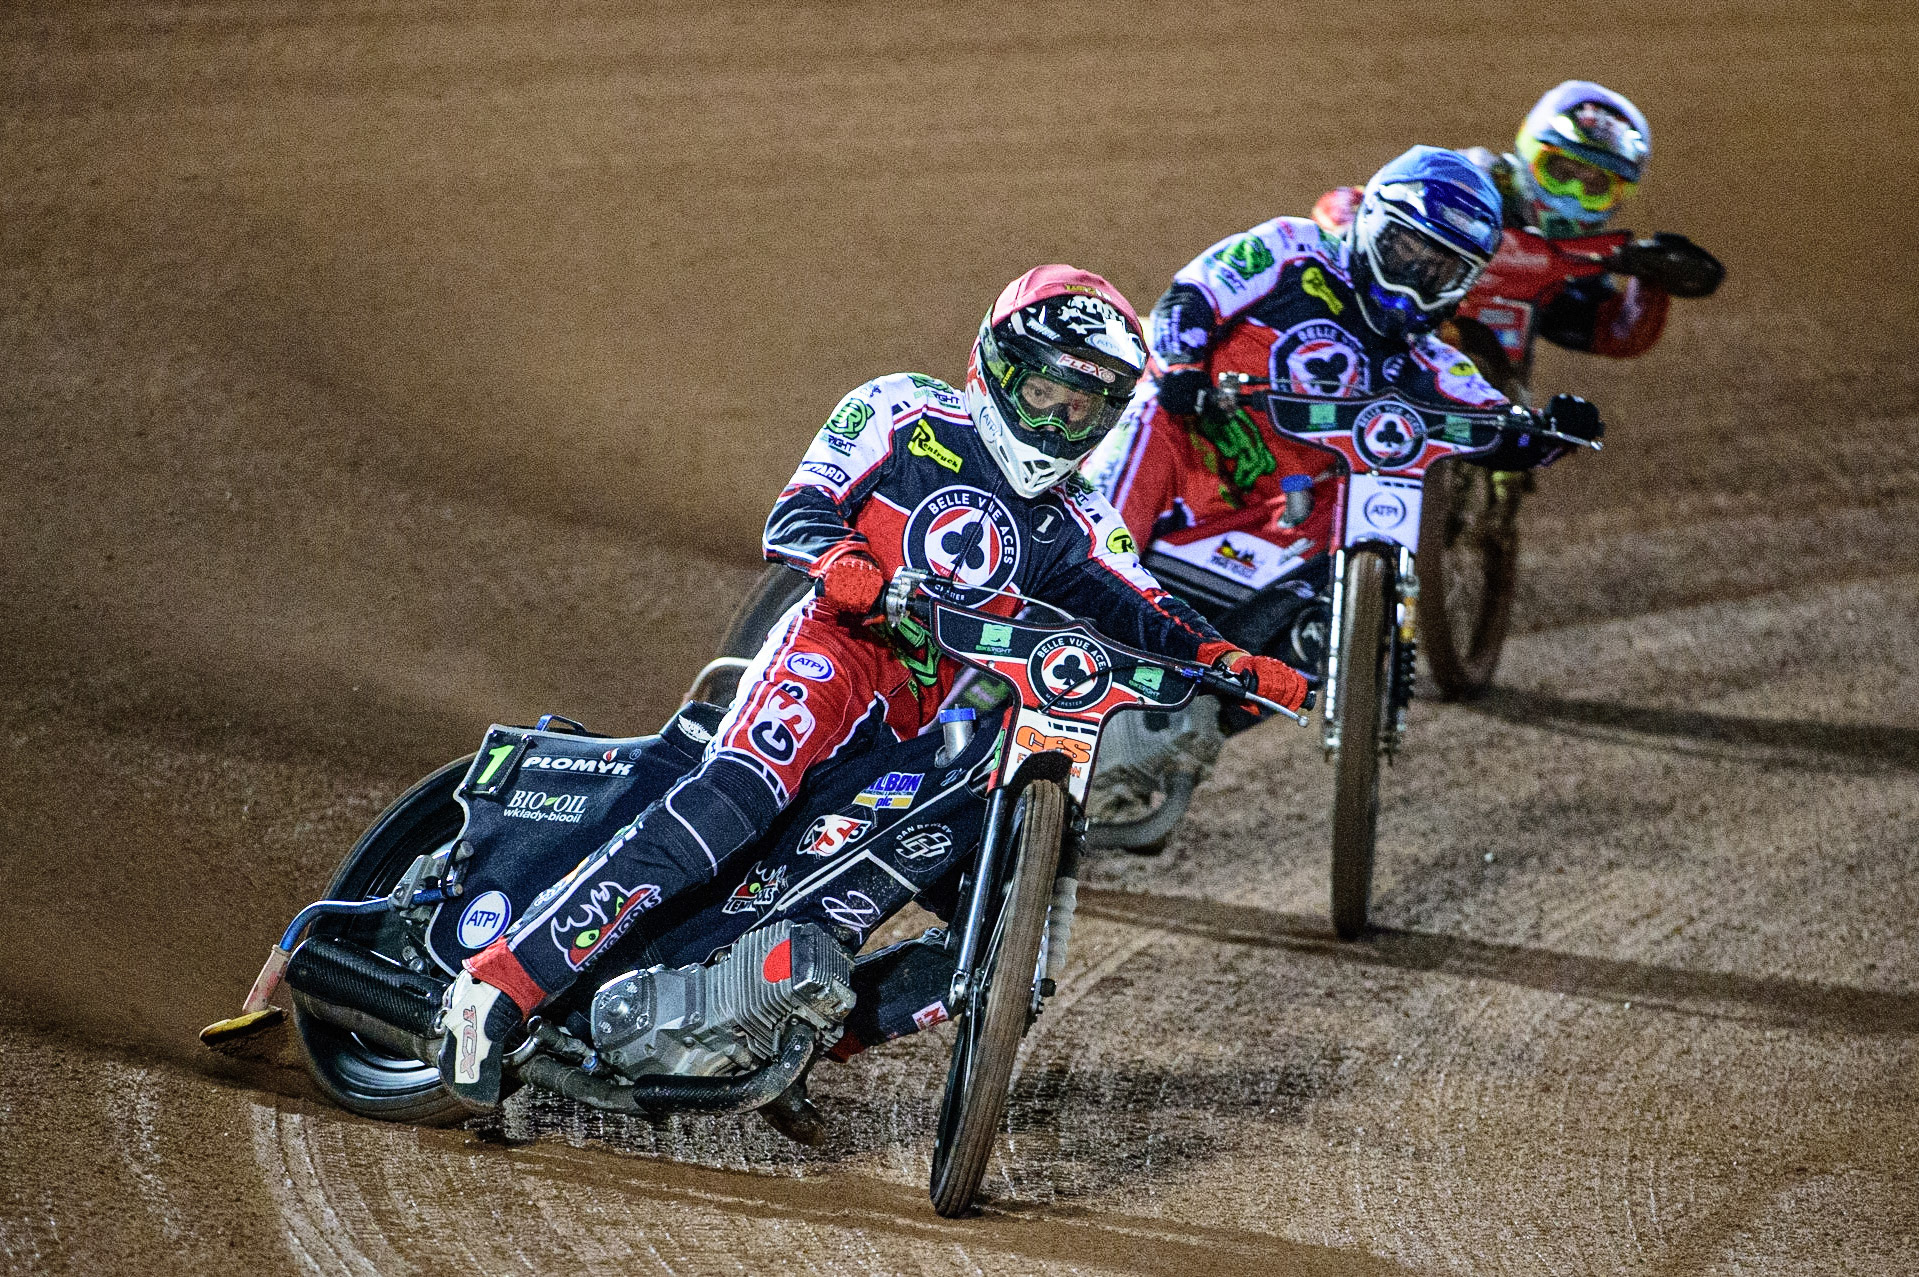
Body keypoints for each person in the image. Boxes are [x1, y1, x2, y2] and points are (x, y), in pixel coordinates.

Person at [436, 265, 1311, 1112]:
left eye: (1085, 405)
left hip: (917, 709)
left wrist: (1231, 660)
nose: (1061, 420)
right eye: (1047, 392)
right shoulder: (902, 407)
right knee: (733, 798)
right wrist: (848, 564)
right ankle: (495, 988)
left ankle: (774, 1034)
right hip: (834, 648)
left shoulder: (1077, 518)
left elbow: (1146, 606)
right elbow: (799, 508)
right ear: (1001, 367)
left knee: (966, 905)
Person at [1080, 147, 1601, 820]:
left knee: (1340, 583)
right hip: (1187, 460)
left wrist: (1548, 433)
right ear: (1368, 223)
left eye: (1437, 270)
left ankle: (1192, 718)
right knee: (1153, 407)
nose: (1413, 280)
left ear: (1461, 282)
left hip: (1272, 523)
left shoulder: (1427, 360)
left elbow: (1495, 426)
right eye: (1404, 250)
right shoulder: (1290, 249)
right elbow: (1192, 294)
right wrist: (1182, 366)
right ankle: (1071, 577)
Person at [1312, 81, 1724, 390]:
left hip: (1499, 385)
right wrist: (1353, 230)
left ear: (1618, 196)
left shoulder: (1585, 256)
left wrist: (1650, 280)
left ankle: (1504, 450)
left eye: (1595, 186)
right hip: (1401, 310)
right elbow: (1346, 202)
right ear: (1528, 154)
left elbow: (1615, 333)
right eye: (1560, 173)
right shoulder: (1469, 180)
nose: (1571, 198)